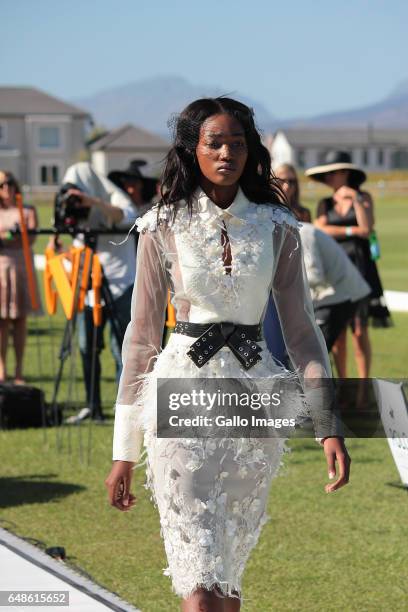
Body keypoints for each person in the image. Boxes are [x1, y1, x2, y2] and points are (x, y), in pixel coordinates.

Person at [105, 98, 350, 612]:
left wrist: (329, 424)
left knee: (227, 576)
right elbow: (141, 338)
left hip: (253, 401)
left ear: (251, 151)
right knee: (197, 573)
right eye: (214, 142)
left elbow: (303, 332)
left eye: (237, 143)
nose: (226, 153)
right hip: (181, 396)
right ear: (192, 150)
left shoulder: (277, 227)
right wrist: (122, 450)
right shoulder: (160, 225)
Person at [61, 163, 138, 423]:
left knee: (122, 348)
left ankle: (123, 406)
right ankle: (92, 405)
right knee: (86, 347)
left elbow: (123, 215)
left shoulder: (114, 197)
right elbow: (66, 228)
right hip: (88, 284)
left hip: (121, 281)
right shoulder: (73, 205)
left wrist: (93, 202)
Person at [308, 151, 391, 378]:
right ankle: (343, 385)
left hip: (361, 265)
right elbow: (321, 228)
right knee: (339, 332)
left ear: (344, 173)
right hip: (336, 267)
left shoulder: (364, 197)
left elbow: (368, 228)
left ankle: (363, 388)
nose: (328, 179)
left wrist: (355, 200)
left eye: (331, 174)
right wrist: (350, 230)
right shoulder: (325, 203)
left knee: (359, 330)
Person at [0, 170, 41, 384]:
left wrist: (11, 237)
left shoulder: (27, 210)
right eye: (2, 185)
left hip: (22, 267)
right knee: (2, 322)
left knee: (20, 320)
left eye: (10, 182)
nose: (7, 187)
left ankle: (18, 370)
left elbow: (32, 236)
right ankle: (2, 369)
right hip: (1, 269)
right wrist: (9, 236)